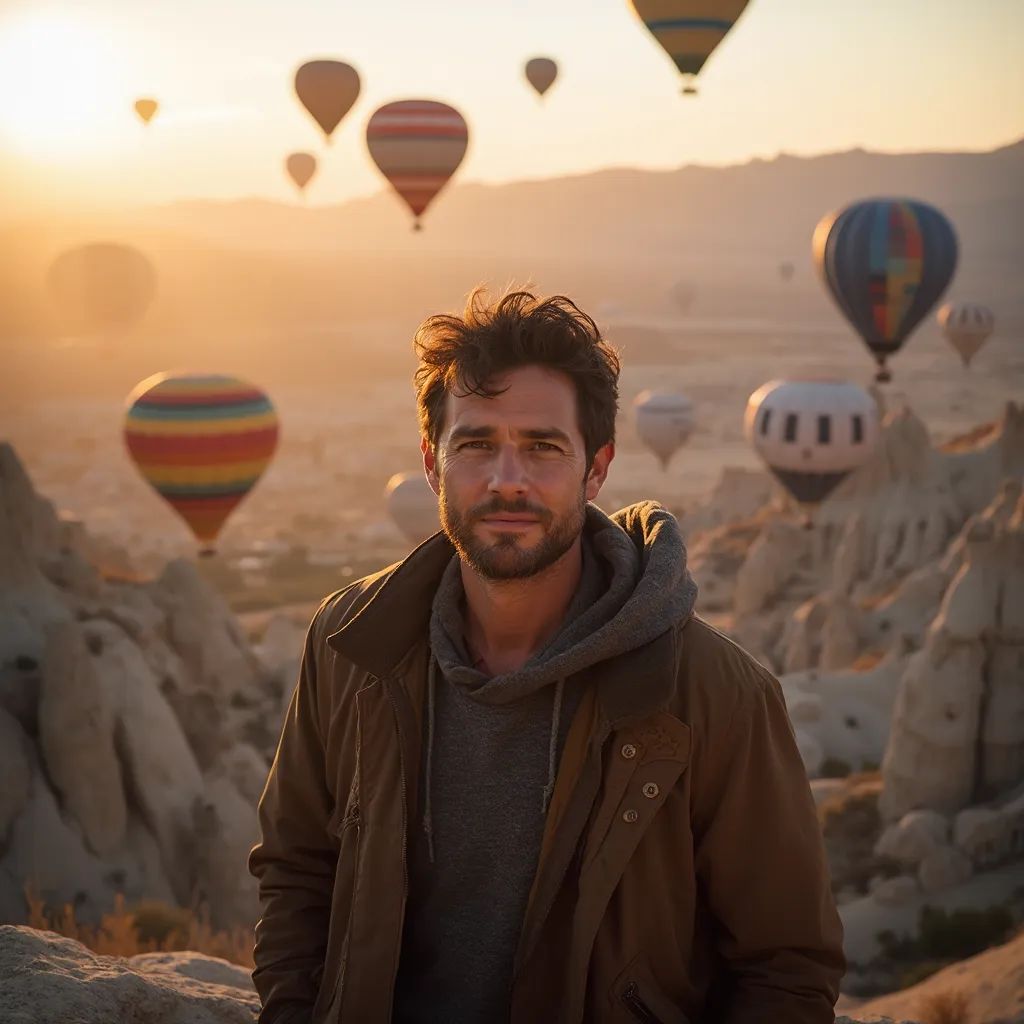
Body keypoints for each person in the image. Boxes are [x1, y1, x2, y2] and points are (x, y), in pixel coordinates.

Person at [248, 289, 845, 1024]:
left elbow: (787, 963)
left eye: (542, 446)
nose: (507, 480)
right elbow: (296, 870)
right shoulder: (352, 643)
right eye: (476, 445)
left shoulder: (713, 693)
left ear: (596, 469)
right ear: (432, 464)